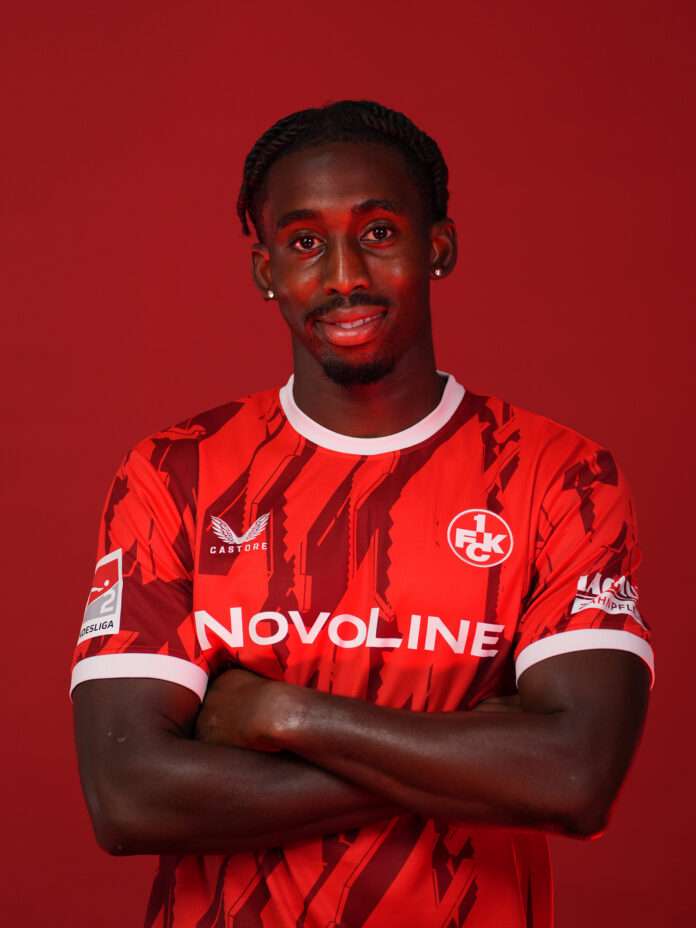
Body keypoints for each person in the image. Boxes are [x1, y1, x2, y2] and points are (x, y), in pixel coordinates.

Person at [71, 100, 653, 928]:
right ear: (266, 270)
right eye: (305, 243)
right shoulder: (174, 473)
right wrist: (469, 757)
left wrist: (281, 715)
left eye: (378, 232)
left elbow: (574, 779)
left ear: (438, 247)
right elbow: (128, 799)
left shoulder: (560, 476)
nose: (344, 274)